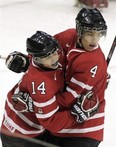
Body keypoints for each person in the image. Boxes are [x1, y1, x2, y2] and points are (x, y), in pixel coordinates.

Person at [2, 8, 109, 147]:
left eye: (99, 34)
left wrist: (37, 104)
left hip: (81, 130)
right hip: (54, 128)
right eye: (90, 33)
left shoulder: (92, 62)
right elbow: (44, 52)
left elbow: (69, 100)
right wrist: (27, 61)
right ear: (79, 30)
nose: (95, 40)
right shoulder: (67, 37)